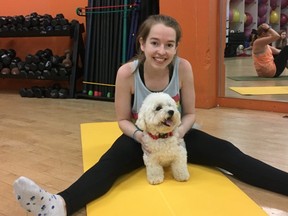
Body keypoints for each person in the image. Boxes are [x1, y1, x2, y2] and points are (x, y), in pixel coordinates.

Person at [13, 15, 288, 216]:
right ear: (142, 43)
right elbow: (122, 119)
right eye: (155, 43)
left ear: (176, 47)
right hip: (141, 136)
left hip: (178, 135)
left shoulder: (184, 68)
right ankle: (58, 204)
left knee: (229, 153)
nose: (162, 51)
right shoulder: (127, 73)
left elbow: (190, 113)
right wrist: (141, 137)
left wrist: (178, 134)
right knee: (109, 163)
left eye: (169, 45)